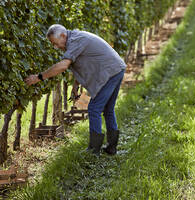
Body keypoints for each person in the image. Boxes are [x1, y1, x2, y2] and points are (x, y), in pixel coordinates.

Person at [25, 24, 126, 156]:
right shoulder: (75, 38)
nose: (55, 47)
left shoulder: (76, 40)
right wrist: (76, 85)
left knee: (94, 109)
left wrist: (39, 77)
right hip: (116, 69)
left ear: (62, 35)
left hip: (110, 73)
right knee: (108, 109)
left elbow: (63, 66)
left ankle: (94, 150)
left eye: (55, 43)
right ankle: (111, 148)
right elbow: (83, 62)